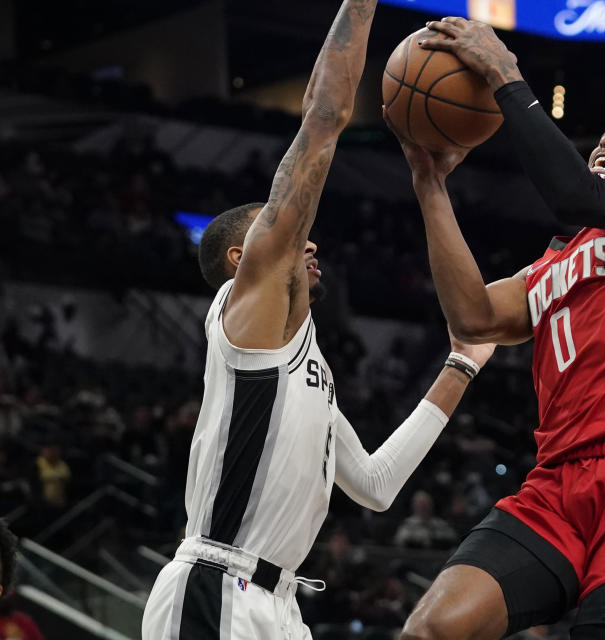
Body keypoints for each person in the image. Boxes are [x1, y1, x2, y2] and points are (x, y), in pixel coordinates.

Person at [140, 2, 496, 638]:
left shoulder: (306, 370)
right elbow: (324, 120)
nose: (307, 241)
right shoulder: (240, 320)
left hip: (280, 604)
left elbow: (376, 487)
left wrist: (463, 361)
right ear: (239, 258)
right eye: (279, 231)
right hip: (217, 586)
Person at [388, 17, 605, 640]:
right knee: (432, 629)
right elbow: (472, 317)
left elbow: (577, 196)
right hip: (556, 481)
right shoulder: (555, 261)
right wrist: (430, 184)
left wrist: (504, 75)